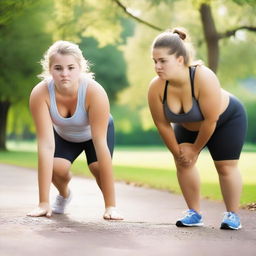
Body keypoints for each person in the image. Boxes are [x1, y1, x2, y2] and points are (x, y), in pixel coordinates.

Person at [148, 27, 247, 230]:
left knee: (225, 167)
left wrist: (194, 149)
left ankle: (232, 215)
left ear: (180, 60)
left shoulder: (204, 77)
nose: (157, 66)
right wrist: (178, 152)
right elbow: (162, 124)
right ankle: (194, 213)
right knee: (183, 163)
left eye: (162, 61)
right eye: (154, 61)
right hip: (188, 125)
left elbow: (211, 120)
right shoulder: (157, 87)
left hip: (225, 120)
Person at [27, 40, 123, 220]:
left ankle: (110, 205)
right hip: (64, 134)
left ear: (80, 67)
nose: (65, 74)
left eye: (71, 68)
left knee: (97, 168)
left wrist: (111, 207)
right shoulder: (40, 94)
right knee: (57, 169)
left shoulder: (95, 92)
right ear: (49, 69)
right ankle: (64, 195)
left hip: (94, 134)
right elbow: (46, 145)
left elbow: (100, 145)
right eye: (58, 68)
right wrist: (43, 202)